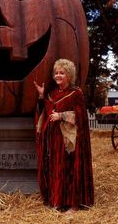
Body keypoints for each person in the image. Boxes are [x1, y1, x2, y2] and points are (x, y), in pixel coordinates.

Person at [33, 59, 94, 212]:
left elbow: (80, 116)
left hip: (70, 142)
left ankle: (73, 205)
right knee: (57, 170)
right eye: (56, 73)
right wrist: (41, 97)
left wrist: (62, 116)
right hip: (54, 140)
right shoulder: (52, 93)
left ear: (69, 75)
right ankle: (58, 201)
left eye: (62, 73)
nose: (58, 75)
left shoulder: (76, 93)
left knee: (69, 171)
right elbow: (45, 112)